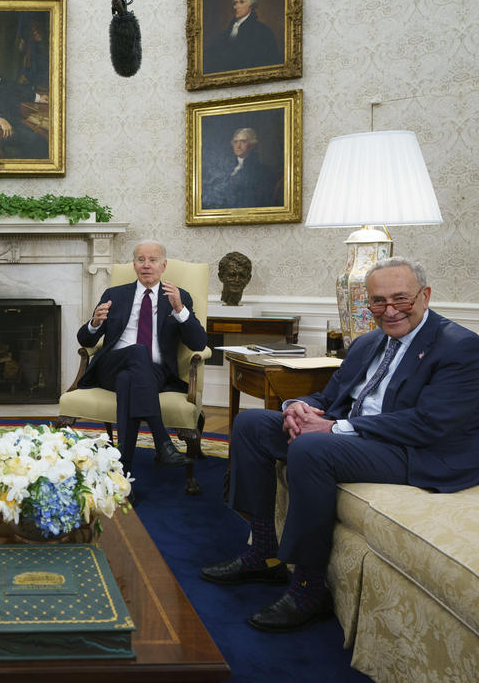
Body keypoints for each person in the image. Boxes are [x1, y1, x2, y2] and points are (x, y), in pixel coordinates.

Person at [201, 257, 479, 632]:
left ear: (425, 296)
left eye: (402, 299)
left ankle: (309, 588)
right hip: (362, 435)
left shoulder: (459, 346)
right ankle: (263, 553)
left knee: (311, 448)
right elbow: (331, 396)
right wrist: (300, 407)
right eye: (378, 301)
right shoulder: (368, 342)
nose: (390, 310)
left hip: (418, 450)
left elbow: (429, 424)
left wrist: (333, 428)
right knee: (252, 423)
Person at [77, 241, 208, 476]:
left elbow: (198, 343)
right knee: (137, 351)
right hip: (111, 366)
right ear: (134, 264)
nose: (146, 265)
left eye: (153, 260)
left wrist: (180, 311)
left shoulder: (179, 297)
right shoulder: (114, 295)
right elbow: (85, 340)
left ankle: (123, 472)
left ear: (163, 265)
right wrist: (94, 324)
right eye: (140, 260)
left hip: (154, 372)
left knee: (129, 381)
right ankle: (162, 443)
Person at [205, 0, 281, 73]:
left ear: (251, 5)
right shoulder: (226, 32)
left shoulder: (263, 31)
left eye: (241, 2)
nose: (236, 7)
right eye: (235, 3)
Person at [202, 127, 281, 210]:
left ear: (252, 145)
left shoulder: (262, 171)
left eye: (243, 141)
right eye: (235, 142)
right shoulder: (226, 167)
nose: (238, 146)